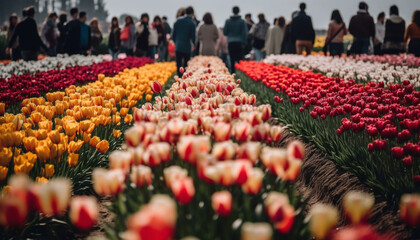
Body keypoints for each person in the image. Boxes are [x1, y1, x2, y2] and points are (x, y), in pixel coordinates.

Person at [172, 6, 197, 76]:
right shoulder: (192, 23)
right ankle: (184, 81)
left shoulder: (178, 20)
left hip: (178, 46)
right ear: (192, 13)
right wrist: (194, 44)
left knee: (179, 64)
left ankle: (178, 79)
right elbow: (193, 36)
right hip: (187, 47)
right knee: (186, 65)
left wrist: (176, 42)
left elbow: (173, 35)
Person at [223, 6, 248, 73]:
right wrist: (244, 43)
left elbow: (225, 32)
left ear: (232, 11)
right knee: (240, 61)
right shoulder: (242, 22)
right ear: (239, 11)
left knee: (232, 60)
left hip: (231, 42)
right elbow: (244, 33)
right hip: (239, 42)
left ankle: (233, 75)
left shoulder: (228, 21)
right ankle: (239, 76)